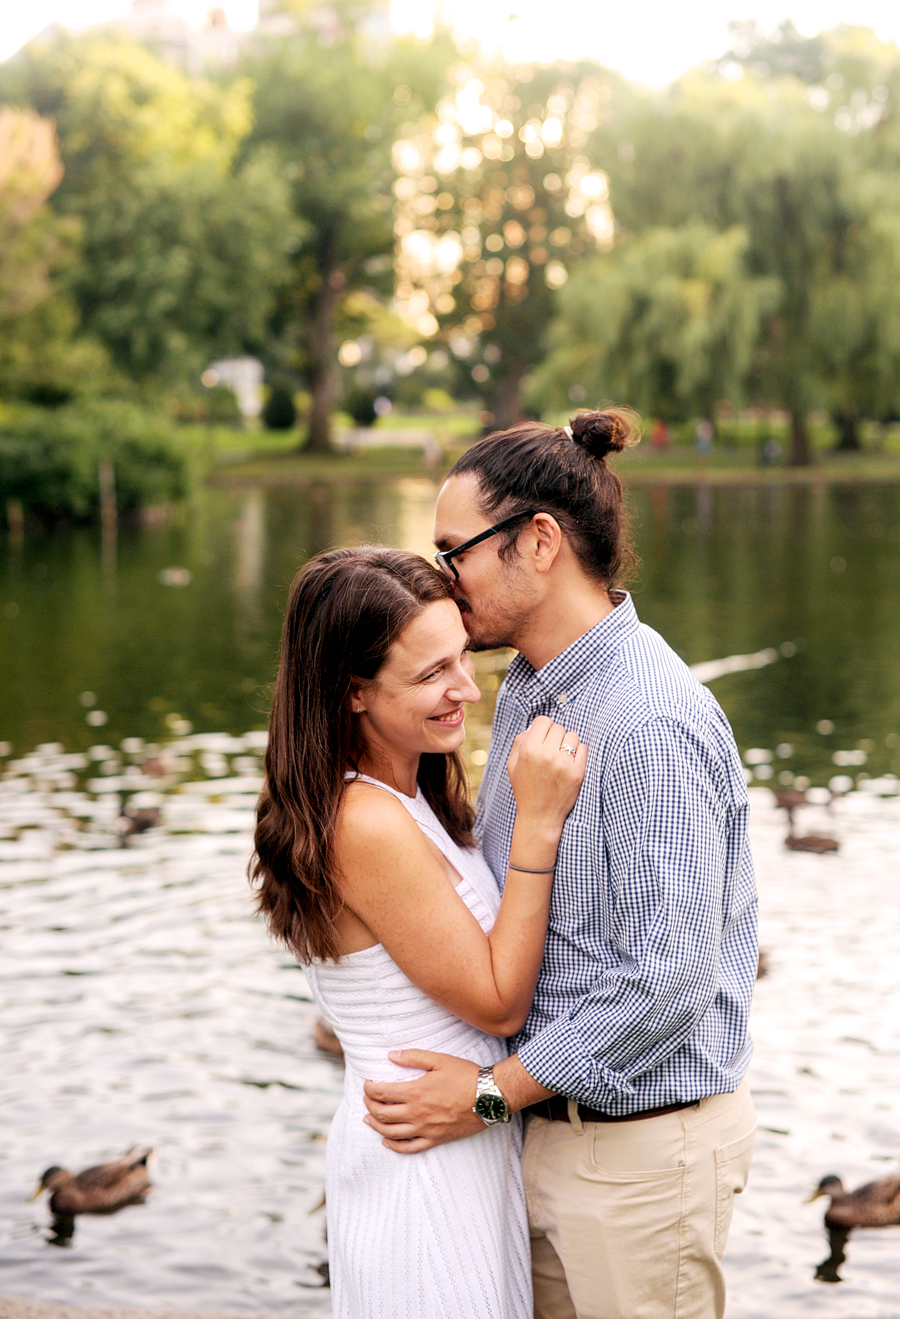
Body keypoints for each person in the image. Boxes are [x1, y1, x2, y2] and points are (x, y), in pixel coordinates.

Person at [362, 410, 759, 1319]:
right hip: (542, 1139)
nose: (439, 576)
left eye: (454, 550)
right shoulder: (537, 686)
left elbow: (670, 981)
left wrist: (492, 1097)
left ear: (538, 543)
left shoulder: (649, 721)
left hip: (641, 1159)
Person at [250, 546, 586, 1319]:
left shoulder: (409, 795)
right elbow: (500, 1002)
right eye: (432, 673)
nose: (466, 688)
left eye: (462, 656)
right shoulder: (362, 820)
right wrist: (536, 824)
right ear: (355, 693)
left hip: (460, 1137)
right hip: (422, 1166)